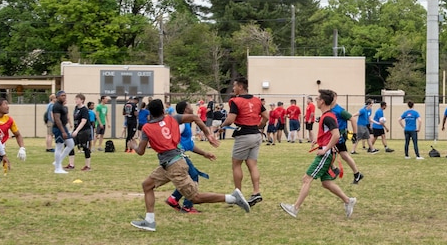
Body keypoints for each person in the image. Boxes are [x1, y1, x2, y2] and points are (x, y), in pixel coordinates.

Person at [130, 98, 248, 231]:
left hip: (174, 166)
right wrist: (207, 135)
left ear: (149, 113)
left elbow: (140, 151)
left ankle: (233, 198)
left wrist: (133, 144)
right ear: (163, 110)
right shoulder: (172, 119)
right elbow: (194, 117)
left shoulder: (147, 128)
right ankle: (149, 221)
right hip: (170, 164)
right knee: (147, 185)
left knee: (196, 198)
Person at [279, 89, 357, 219]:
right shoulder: (327, 115)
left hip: (326, 154)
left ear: (323, 101)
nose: (316, 101)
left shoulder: (328, 117)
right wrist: (318, 140)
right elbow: (328, 133)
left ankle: (295, 208)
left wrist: (325, 149)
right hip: (328, 152)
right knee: (326, 183)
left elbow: (336, 135)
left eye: (317, 99)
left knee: (307, 178)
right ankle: (348, 201)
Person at [221, 74, 268, 208]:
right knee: (252, 165)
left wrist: (221, 126)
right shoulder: (257, 100)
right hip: (256, 134)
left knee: (236, 164)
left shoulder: (236, 101)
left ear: (240, 87)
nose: (233, 88)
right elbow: (266, 116)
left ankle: (238, 194)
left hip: (244, 135)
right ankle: (256, 191)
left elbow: (230, 119)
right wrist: (259, 126)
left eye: (235, 86)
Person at [67, 93, 94, 171]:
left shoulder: (84, 110)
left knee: (85, 147)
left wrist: (77, 130)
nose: (76, 100)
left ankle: (87, 166)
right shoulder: (76, 108)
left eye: (77, 99)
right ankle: (71, 164)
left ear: (82, 100)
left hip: (85, 131)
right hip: (76, 131)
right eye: (75, 99)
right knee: (70, 145)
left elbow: (83, 121)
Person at [49, 90, 73, 174]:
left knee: (71, 144)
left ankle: (58, 161)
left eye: (65, 95)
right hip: (59, 128)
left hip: (63, 127)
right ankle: (57, 168)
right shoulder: (56, 106)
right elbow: (57, 120)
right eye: (62, 95)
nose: (64, 97)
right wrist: (63, 131)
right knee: (59, 147)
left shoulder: (62, 105)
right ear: (57, 97)